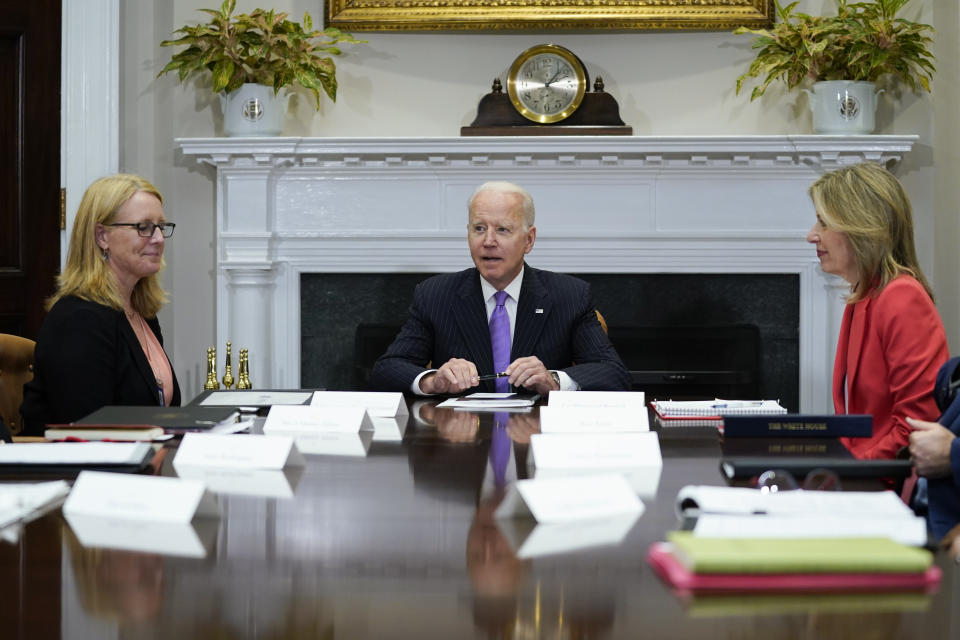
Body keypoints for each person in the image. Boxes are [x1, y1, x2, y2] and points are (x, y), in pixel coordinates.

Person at [369, 181, 630, 396]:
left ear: (529, 240)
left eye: (503, 230)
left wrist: (554, 380)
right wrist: (433, 380)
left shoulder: (569, 296)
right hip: (461, 444)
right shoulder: (435, 295)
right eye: (479, 228)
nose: (488, 241)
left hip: (535, 443)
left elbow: (612, 372)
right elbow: (386, 370)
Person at [806, 162, 948, 460]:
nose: (811, 235)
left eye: (824, 223)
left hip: (886, 489)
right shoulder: (863, 297)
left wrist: (847, 473)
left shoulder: (902, 298)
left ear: (861, 227)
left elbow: (915, 429)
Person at [20, 174, 180, 435]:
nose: (159, 238)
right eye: (144, 227)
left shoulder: (142, 312)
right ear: (102, 236)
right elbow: (89, 428)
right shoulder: (79, 320)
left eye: (161, 226)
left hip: (139, 462)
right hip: (83, 471)